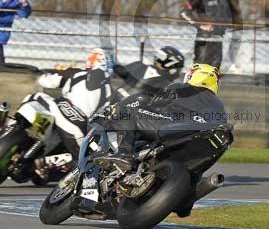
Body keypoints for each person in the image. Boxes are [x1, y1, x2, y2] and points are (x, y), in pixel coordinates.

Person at [92, 63, 225, 173]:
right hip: (199, 144)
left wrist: (123, 105)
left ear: (192, 76)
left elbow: (151, 101)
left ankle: (124, 154)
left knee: (127, 112)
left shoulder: (181, 88)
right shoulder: (219, 106)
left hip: (173, 127)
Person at [32, 48, 119, 163]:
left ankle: (29, 136)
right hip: (77, 128)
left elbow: (46, 81)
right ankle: (52, 161)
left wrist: (43, 78)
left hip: (55, 111)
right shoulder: (112, 93)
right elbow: (110, 119)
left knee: (36, 98)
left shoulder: (76, 73)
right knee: (87, 160)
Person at [180, 0, 240, 69]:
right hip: (204, 38)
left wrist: (232, 24)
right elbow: (184, 11)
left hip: (218, 38)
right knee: (200, 69)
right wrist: (200, 25)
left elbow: (233, 15)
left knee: (215, 70)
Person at [113, 45, 185, 96]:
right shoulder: (165, 84)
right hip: (130, 112)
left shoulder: (138, 65)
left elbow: (116, 72)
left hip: (113, 103)